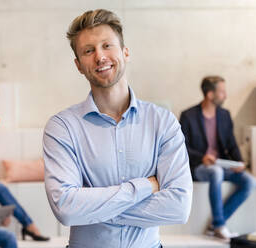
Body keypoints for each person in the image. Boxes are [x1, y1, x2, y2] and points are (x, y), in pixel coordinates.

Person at [43, 9, 193, 248]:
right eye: (88, 51)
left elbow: (179, 207)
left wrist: (93, 209)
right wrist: (146, 186)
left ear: (125, 52)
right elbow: (67, 209)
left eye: (107, 46)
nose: (100, 57)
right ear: (79, 65)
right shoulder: (62, 127)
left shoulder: (163, 122)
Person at [179, 76, 256, 240]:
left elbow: (232, 143)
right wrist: (202, 158)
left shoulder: (224, 115)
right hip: (199, 167)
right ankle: (220, 226)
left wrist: (239, 162)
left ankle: (215, 223)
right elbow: (182, 148)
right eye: (222, 92)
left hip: (222, 165)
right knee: (215, 172)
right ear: (210, 94)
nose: (225, 95)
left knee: (250, 181)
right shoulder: (188, 116)